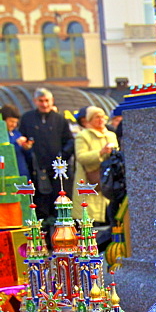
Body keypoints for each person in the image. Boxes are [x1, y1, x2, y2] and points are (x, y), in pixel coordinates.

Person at [18, 88, 74, 223]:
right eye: (41, 101)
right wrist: (25, 145)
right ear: (35, 102)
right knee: (40, 208)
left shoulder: (59, 119)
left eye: (47, 101)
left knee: (58, 207)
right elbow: (21, 138)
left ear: (52, 101)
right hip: (36, 171)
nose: (44, 104)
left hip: (57, 171)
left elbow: (70, 141)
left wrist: (62, 158)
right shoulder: (27, 118)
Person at [71, 107, 119, 224]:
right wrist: (100, 153)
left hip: (108, 181)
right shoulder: (83, 136)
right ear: (89, 119)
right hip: (90, 182)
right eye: (97, 117)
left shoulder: (111, 135)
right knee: (90, 219)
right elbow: (81, 157)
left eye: (102, 116)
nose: (100, 119)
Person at [1, 104, 33, 180]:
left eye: (16, 122)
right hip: (7, 178)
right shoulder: (2, 136)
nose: (14, 125)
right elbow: (5, 153)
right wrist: (16, 144)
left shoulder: (17, 133)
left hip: (22, 175)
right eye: (11, 121)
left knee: (25, 191)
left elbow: (28, 156)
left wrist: (27, 148)